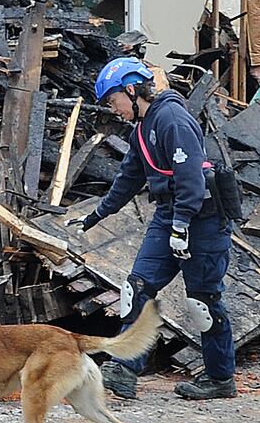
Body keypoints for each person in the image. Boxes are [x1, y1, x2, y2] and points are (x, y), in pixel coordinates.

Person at [72, 57, 236, 400]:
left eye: (113, 101)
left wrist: (181, 225)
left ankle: (220, 379)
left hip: (201, 219)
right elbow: (127, 179)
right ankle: (125, 369)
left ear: (131, 90)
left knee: (202, 303)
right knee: (137, 288)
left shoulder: (172, 118)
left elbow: (191, 177)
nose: (113, 109)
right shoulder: (142, 129)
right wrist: (94, 217)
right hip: (169, 215)